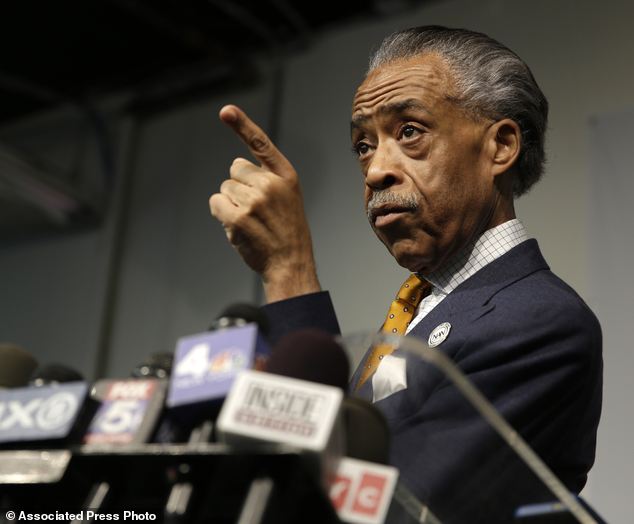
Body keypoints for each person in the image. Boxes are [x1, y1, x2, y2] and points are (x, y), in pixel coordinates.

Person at [209, 26, 602, 523]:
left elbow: (384, 507)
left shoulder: (542, 321)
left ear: (500, 147)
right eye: (364, 145)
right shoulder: (420, 309)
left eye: (409, 131)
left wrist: (291, 269)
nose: (375, 170)